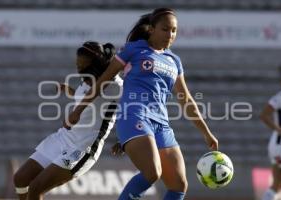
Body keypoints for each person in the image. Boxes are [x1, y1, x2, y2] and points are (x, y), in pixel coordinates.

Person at [64, 8, 218, 200]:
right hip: (135, 116)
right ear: (152, 29)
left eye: (174, 30)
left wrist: (206, 133)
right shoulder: (134, 49)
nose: (170, 34)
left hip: (161, 124)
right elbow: (103, 80)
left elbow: (186, 99)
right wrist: (78, 109)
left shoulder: (174, 61)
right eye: (165, 29)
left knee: (179, 185)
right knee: (152, 172)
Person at [13, 41, 123, 200]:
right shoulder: (86, 79)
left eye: (82, 64)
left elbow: (130, 109)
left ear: (96, 64)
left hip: (83, 146)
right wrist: (70, 91)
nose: (78, 67)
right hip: (63, 137)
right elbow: (86, 98)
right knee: (21, 178)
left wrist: (125, 139)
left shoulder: (114, 85)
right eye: (77, 63)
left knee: (36, 188)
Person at [260, 64, 281, 200]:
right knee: (278, 183)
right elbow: (264, 115)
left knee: (278, 184)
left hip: (279, 145)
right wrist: (279, 129)